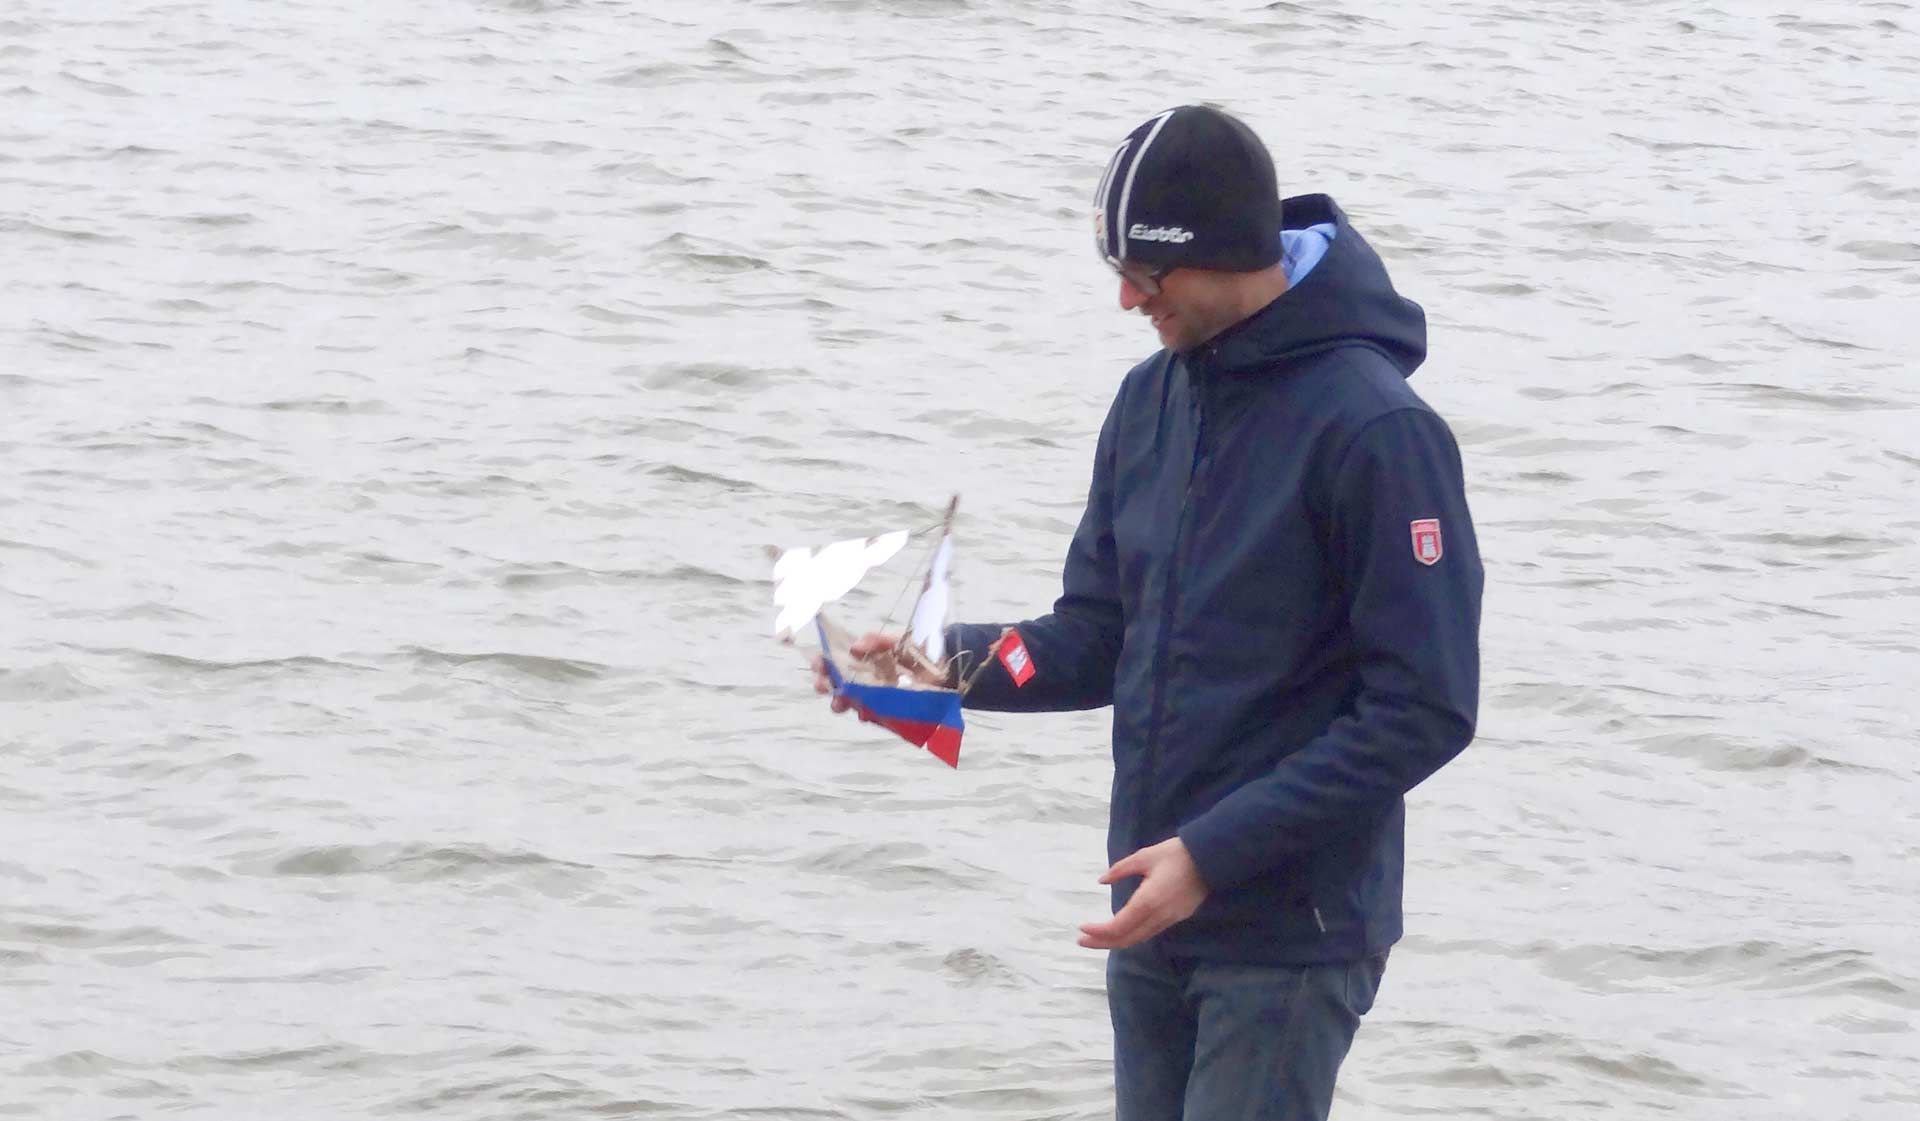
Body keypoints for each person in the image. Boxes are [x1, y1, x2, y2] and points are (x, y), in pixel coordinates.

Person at [816, 104, 1483, 1121]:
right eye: (1116, 272)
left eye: (1146, 275)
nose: (1127, 299)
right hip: (1151, 901)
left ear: (1221, 254)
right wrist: (935, 665)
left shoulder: (1379, 431)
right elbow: (1096, 637)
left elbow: (1426, 708)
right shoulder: (1149, 402)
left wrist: (1213, 852)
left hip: (1287, 931)